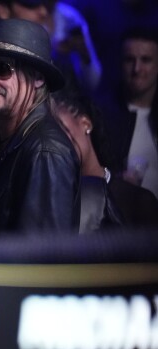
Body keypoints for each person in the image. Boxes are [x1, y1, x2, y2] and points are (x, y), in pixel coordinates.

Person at [0, 18, 80, 235]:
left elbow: (41, 259)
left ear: (38, 78)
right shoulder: (6, 141)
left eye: (2, 68)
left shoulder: (45, 151)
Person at [52, 91, 158, 230]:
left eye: (58, 126)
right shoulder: (56, 206)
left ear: (85, 123)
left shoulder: (137, 201)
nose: (54, 140)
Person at [96, 27, 158, 200]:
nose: (137, 69)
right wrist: (116, 182)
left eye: (146, 60)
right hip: (125, 221)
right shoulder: (102, 117)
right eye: (130, 60)